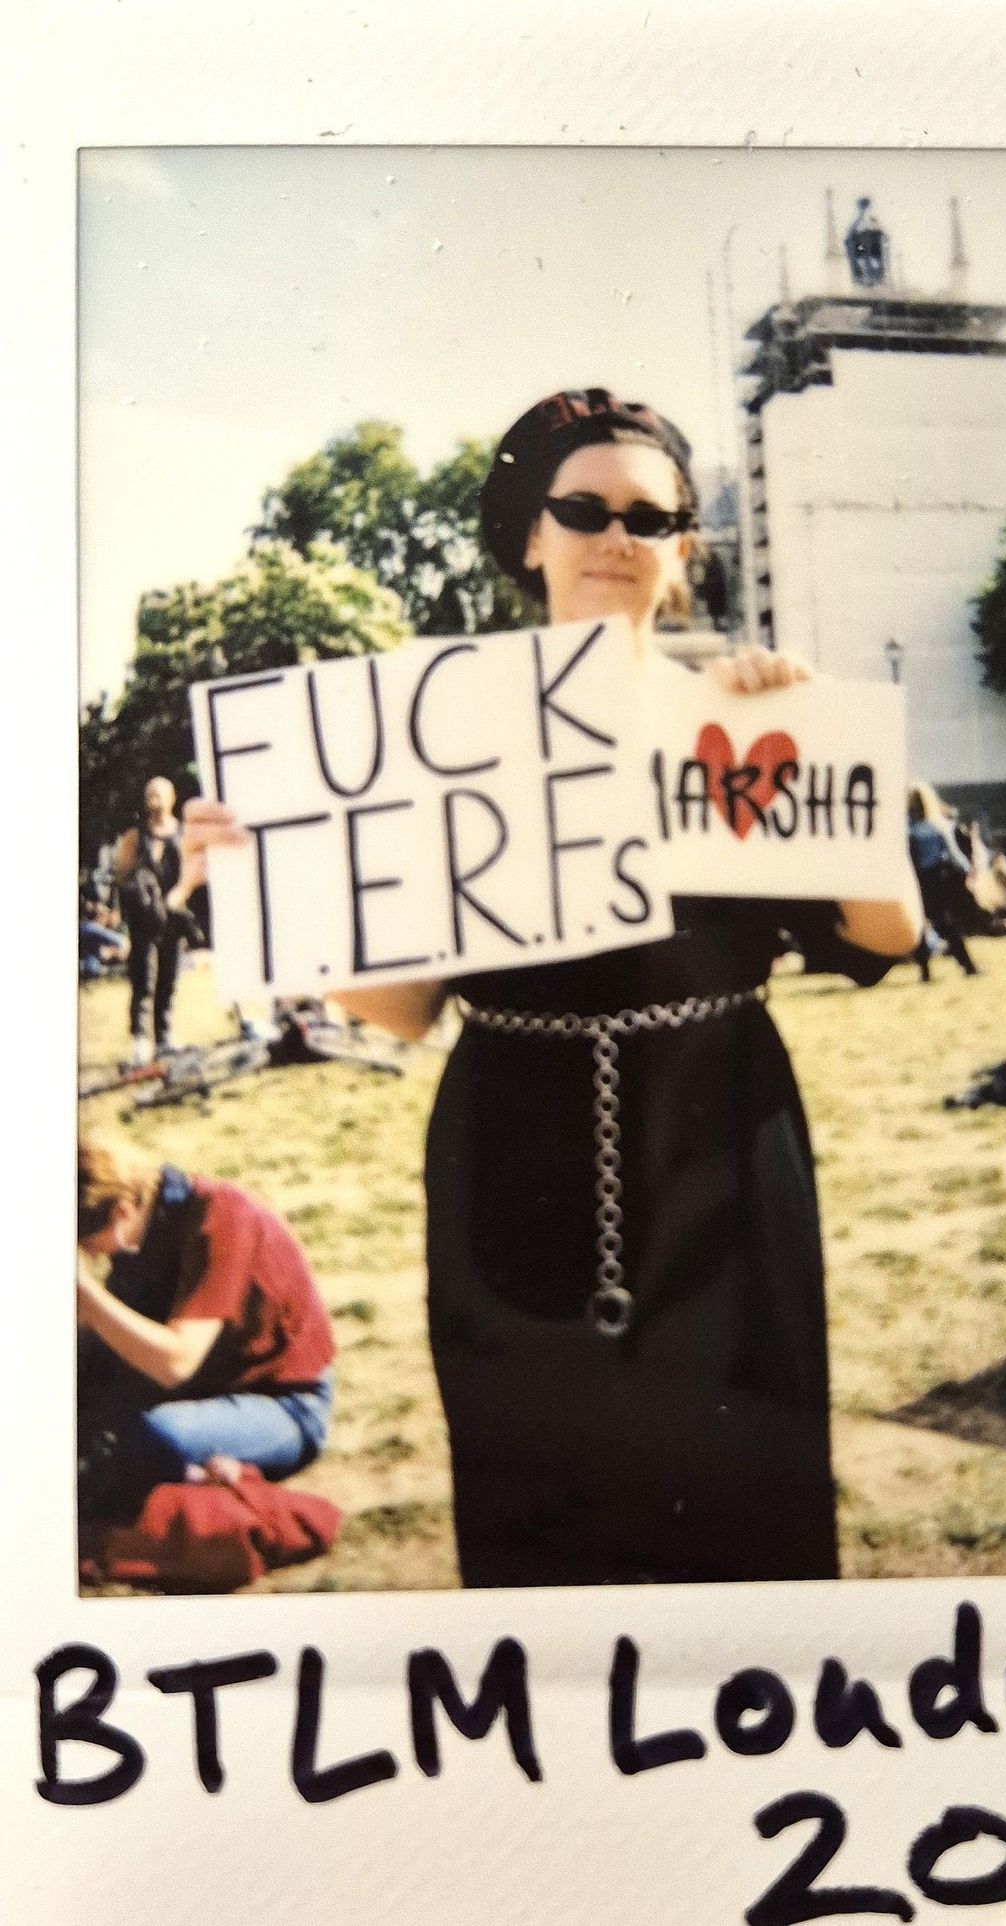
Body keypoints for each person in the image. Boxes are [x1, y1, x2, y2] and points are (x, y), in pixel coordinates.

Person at [177, 387, 922, 1587]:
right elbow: (411, 1008)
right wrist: (259, 885)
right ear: (533, 535)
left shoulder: (736, 721)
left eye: (650, 515)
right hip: (508, 1157)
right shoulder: (443, 734)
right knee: (543, 1519)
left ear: (684, 546)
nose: (614, 537)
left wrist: (838, 765)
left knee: (742, 1510)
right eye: (582, 509)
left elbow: (887, 937)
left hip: (721, 1152)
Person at [77, 1134, 335, 1522]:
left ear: (122, 1212)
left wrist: (86, 1295)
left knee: (153, 1436)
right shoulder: (147, 1226)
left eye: (90, 1245)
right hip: (211, 1387)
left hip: (284, 1403)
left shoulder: (223, 1216)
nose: (93, 1256)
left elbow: (176, 1362)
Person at [114, 776, 192, 1064]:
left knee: (169, 980)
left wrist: (178, 899)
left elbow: (191, 876)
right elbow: (121, 879)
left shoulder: (183, 835)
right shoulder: (135, 838)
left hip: (173, 920)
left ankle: (164, 1037)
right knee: (143, 980)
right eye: (149, 794)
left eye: (159, 794)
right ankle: (139, 1041)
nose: (154, 799)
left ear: (172, 798)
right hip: (143, 922)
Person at [907, 782, 980, 980]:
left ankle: (925, 972)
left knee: (919, 924)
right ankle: (967, 964)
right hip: (936, 879)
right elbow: (953, 855)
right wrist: (968, 870)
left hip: (916, 880)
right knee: (945, 924)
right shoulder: (935, 828)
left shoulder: (907, 832)